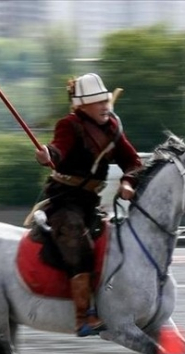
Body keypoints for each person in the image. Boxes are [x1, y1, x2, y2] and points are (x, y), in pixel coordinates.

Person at [34, 73, 142, 337]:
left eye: (105, 100)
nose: (105, 106)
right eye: (97, 102)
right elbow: (59, 150)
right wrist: (47, 155)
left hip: (92, 202)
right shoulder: (69, 125)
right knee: (79, 246)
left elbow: (133, 162)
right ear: (81, 106)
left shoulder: (113, 127)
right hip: (64, 201)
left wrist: (128, 182)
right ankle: (84, 317)